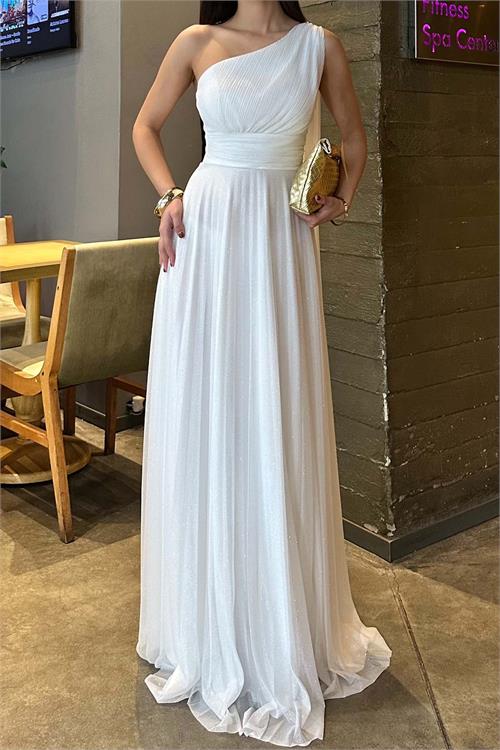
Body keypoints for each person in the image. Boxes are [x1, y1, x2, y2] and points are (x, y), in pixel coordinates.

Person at [132, 1, 392, 746]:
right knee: (210, 414)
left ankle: (279, 621)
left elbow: (353, 137)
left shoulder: (318, 46)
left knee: (277, 411)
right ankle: (206, 619)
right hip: (207, 235)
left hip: (280, 237)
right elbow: (146, 127)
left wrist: (341, 197)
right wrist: (169, 194)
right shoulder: (197, 41)